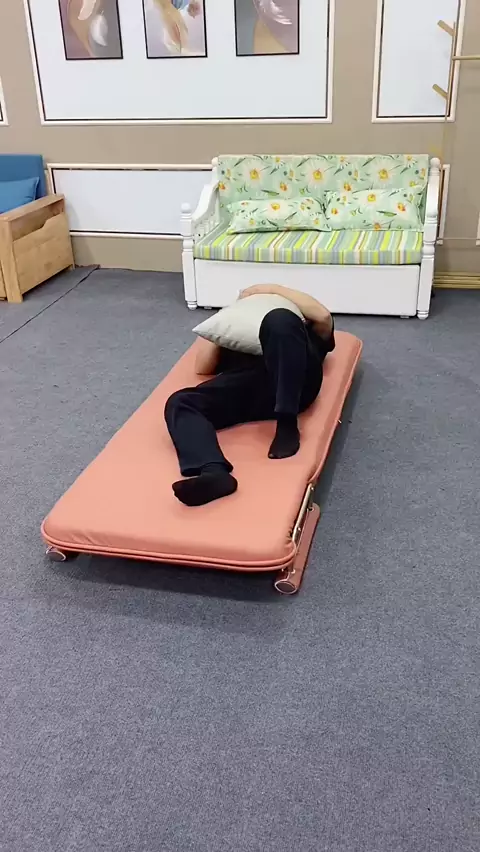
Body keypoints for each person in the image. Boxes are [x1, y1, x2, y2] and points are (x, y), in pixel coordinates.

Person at [164, 284, 335, 507]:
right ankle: (214, 472)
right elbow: (202, 367)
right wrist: (231, 314)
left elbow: (323, 316)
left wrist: (269, 289)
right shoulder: (236, 337)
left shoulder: (305, 332)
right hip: (250, 388)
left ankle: (286, 422)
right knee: (180, 402)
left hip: (296, 384)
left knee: (278, 319)